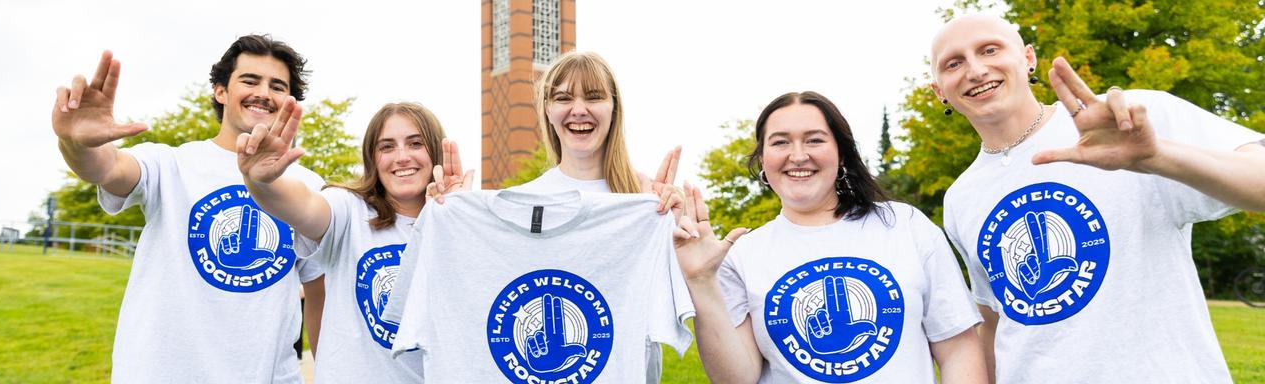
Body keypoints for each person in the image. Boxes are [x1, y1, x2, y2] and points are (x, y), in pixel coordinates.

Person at [929, 14, 1265, 383]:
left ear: (1028, 58)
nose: (975, 70)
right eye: (953, 63)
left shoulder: (1127, 121)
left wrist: (1156, 158)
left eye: (989, 49)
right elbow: (995, 320)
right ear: (940, 90)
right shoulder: (961, 198)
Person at [51, 35, 326, 382]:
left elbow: (320, 296)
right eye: (250, 80)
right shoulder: (171, 164)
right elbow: (107, 168)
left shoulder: (310, 186)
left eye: (277, 86)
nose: (264, 93)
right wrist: (75, 143)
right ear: (220, 91)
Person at [676, 91, 986, 383]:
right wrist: (701, 281)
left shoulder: (904, 225)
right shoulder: (743, 255)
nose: (798, 155)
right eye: (780, 142)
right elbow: (737, 378)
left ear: (841, 156)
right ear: (763, 161)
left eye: (814, 140)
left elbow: (958, 350)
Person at [237, 102, 469, 382]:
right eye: (387, 147)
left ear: (435, 150)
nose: (402, 157)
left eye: (415, 143)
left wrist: (455, 218)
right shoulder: (348, 210)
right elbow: (303, 207)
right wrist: (262, 183)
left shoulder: (463, 226)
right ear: (372, 158)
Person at [507, 51, 696, 383]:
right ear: (547, 111)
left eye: (593, 97)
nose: (579, 109)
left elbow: (684, 306)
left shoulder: (647, 201)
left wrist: (671, 232)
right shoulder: (523, 203)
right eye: (563, 98)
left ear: (613, 108)